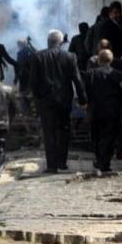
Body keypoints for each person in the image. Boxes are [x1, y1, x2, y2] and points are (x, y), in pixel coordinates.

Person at [27, 29, 87, 173]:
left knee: (49, 132)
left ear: (48, 42)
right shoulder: (70, 57)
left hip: (45, 101)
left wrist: (37, 97)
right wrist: (83, 99)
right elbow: (77, 79)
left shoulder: (38, 56)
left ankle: (52, 165)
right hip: (64, 100)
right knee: (64, 130)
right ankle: (62, 162)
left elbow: (33, 81)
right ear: (60, 42)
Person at [88, 48, 122, 174]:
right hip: (112, 111)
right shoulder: (118, 75)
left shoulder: (91, 74)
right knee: (109, 137)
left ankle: (99, 160)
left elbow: (86, 92)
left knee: (96, 137)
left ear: (99, 60)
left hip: (95, 110)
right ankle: (105, 162)